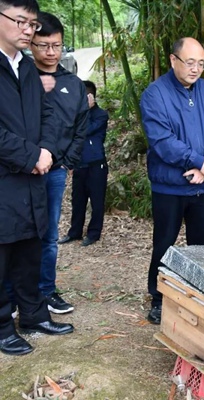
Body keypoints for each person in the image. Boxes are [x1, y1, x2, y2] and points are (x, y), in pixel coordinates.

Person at [0, 0, 74, 356]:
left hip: (34, 178)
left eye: (31, 24)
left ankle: (32, 314)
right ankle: (2, 326)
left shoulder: (26, 68)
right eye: (21, 22)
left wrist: (45, 151)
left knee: (31, 247)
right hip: (4, 179)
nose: (28, 30)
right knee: (2, 253)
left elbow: (48, 116)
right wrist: (31, 156)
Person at [140, 37, 204, 324]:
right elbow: (162, 141)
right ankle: (158, 297)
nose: (196, 69)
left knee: (202, 244)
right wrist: (197, 160)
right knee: (165, 243)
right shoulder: (155, 94)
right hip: (169, 186)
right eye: (190, 62)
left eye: (201, 63)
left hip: (202, 184)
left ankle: (201, 295)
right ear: (172, 60)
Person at [29, 11, 88, 314]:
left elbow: (81, 126)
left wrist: (66, 163)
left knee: (49, 234)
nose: (51, 52)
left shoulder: (73, 84)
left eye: (57, 46)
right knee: (18, 233)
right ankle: (14, 294)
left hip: (54, 172)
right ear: (30, 44)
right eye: (43, 45)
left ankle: (45, 291)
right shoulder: (19, 78)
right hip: (20, 170)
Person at [58, 80, 109, 247]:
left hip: (96, 165)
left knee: (96, 201)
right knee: (78, 201)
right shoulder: (77, 115)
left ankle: (94, 233)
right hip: (80, 164)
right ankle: (75, 232)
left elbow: (86, 130)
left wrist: (88, 109)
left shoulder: (100, 114)